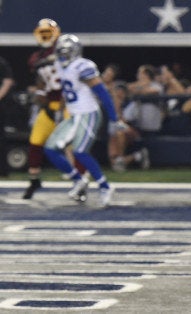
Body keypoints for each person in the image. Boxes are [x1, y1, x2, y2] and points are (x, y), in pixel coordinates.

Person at [43, 34, 125, 207]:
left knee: (79, 151)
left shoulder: (83, 66)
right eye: (61, 52)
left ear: (75, 52)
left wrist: (113, 117)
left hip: (89, 114)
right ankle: (79, 180)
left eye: (67, 52)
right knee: (50, 148)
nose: (63, 55)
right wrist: (60, 110)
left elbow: (102, 92)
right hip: (74, 115)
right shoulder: (60, 65)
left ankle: (105, 187)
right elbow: (66, 90)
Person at [23, 18, 88, 199]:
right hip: (49, 105)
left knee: (72, 146)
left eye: (48, 33)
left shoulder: (63, 52)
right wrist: (40, 94)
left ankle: (80, 181)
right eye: (42, 33)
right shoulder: (36, 57)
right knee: (36, 140)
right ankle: (34, 179)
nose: (45, 37)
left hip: (67, 103)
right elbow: (42, 81)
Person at [0, 55, 15, 177]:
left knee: (1, 138)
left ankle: (2, 169)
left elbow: (7, 82)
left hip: (1, 105)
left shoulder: (2, 62)